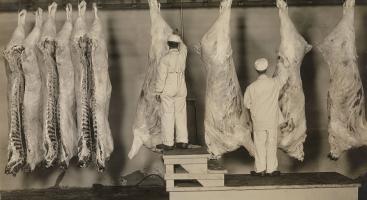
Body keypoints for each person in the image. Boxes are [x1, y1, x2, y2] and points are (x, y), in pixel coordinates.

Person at [243, 57, 288, 176]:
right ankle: (271, 170)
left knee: (259, 145)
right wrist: (281, 62)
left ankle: (260, 170)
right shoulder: (274, 83)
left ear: (256, 70)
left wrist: (251, 119)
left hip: (258, 121)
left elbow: (247, 105)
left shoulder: (251, 87)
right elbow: (284, 77)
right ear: (267, 68)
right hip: (272, 120)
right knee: (271, 144)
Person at [155, 32, 189, 151]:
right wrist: (179, 35)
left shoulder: (164, 59)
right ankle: (183, 141)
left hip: (168, 88)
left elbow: (161, 77)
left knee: (168, 115)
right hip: (181, 88)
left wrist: (158, 92)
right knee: (181, 114)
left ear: (168, 45)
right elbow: (185, 48)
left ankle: (168, 143)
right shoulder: (182, 55)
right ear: (178, 45)